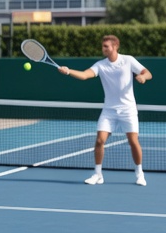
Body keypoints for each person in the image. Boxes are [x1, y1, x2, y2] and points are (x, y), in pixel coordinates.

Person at [58, 34, 152, 185]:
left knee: (133, 141)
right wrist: (69, 71)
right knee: (100, 140)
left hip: (128, 110)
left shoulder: (128, 60)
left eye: (106, 46)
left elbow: (148, 73)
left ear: (115, 47)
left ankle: (139, 173)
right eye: (103, 46)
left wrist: (143, 78)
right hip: (109, 110)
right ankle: (98, 174)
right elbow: (84, 75)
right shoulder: (100, 65)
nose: (104, 49)